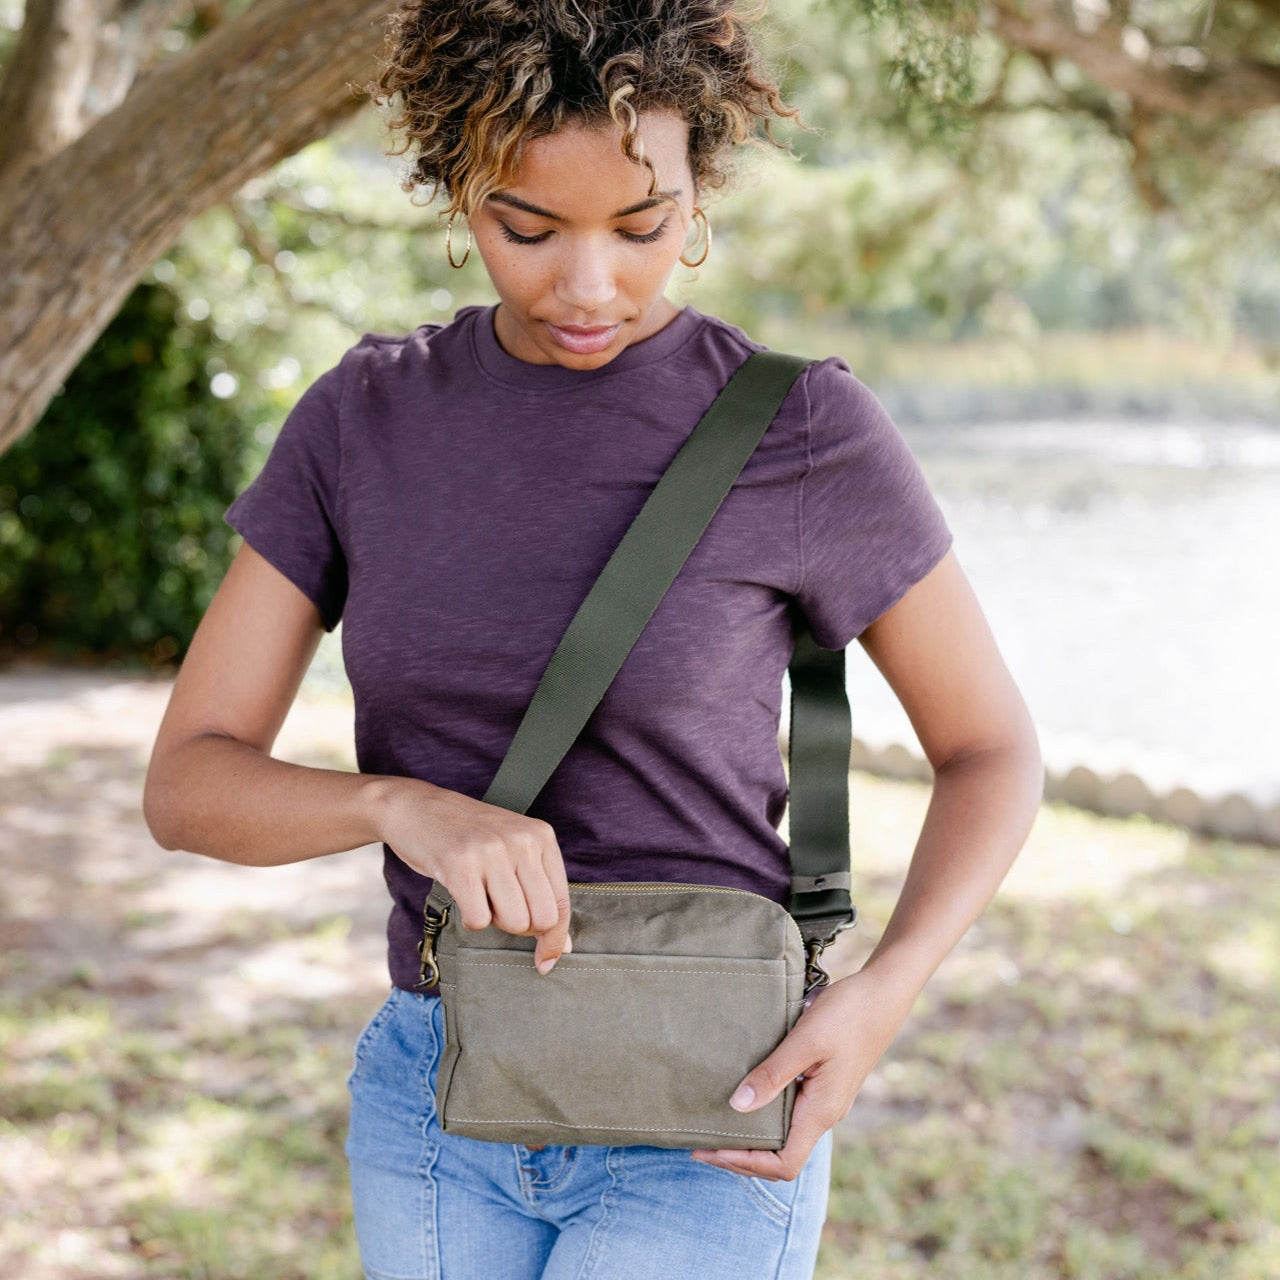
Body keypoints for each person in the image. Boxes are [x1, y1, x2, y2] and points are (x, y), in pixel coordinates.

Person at [143, 2, 1044, 1277]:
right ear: (455, 181)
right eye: (526, 226)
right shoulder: (362, 420)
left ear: (699, 190)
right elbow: (187, 782)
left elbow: (990, 748)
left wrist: (882, 990)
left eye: (642, 227)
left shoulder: (799, 429)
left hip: (711, 1110)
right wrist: (403, 807)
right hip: (437, 1094)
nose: (588, 284)